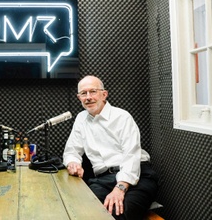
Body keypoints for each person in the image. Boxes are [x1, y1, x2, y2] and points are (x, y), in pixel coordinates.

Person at [63, 75, 158, 220]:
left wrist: (120, 188)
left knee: (118, 213)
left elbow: (131, 156)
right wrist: (73, 163)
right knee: (80, 209)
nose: (88, 97)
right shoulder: (81, 119)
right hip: (104, 179)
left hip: (136, 176)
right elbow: (72, 150)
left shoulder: (122, 117)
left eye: (93, 91)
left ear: (104, 94)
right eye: (84, 93)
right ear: (79, 97)